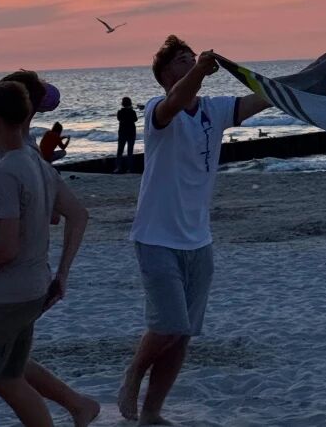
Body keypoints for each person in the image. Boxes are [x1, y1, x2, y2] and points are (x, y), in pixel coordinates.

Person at [118, 35, 271, 425]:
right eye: (182, 60)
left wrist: (308, 78)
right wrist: (200, 71)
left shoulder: (213, 110)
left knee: (182, 335)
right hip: (156, 237)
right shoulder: (157, 110)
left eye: (192, 58)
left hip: (199, 239)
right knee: (168, 325)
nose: (190, 62)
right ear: (167, 74)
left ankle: (152, 412)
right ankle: (133, 373)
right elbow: (174, 103)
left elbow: (263, 99)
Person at [0, 71, 98, 426]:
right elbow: (75, 214)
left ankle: (78, 406)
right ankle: (79, 407)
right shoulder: (37, 163)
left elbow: (5, 249)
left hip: (4, 295)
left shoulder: (5, 171)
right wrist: (61, 274)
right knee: (9, 376)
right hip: (33, 287)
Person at [115, 97, 138, 174]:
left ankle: (118, 168)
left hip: (122, 133)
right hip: (131, 133)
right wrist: (131, 110)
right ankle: (130, 169)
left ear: (122, 104)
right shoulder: (132, 112)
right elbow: (135, 119)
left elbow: (119, 119)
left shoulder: (120, 112)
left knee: (120, 150)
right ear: (130, 103)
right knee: (130, 151)